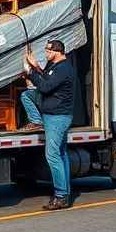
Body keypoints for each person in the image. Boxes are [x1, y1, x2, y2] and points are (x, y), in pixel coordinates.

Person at [18, 39, 75, 210]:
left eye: (48, 50)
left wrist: (30, 73)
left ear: (58, 51)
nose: (46, 53)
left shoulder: (64, 68)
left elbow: (45, 87)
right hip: (54, 112)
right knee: (62, 153)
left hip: (57, 117)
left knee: (52, 155)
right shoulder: (55, 66)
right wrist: (36, 67)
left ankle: (60, 196)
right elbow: (47, 79)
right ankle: (65, 192)